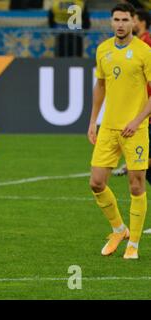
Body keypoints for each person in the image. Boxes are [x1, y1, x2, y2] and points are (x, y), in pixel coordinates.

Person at [88, 3, 151, 260]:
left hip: (134, 129)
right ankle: (119, 229)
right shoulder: (103, 50)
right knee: (96, 182)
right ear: (111, 22)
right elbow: (100, 86)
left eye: (126, 19)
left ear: (133, 22)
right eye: (117, 19)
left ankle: (133, 244)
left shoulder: (144, 52)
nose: (121, 24)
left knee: (136, 185)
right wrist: (93, 121)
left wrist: (137, 121)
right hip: (109, 128)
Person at [113, 8, 151, 177]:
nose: (130, 23)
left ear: (141, 22)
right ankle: (133, 162)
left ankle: (132, 163)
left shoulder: (146, 44)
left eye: (132, 19)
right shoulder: (138, 42)